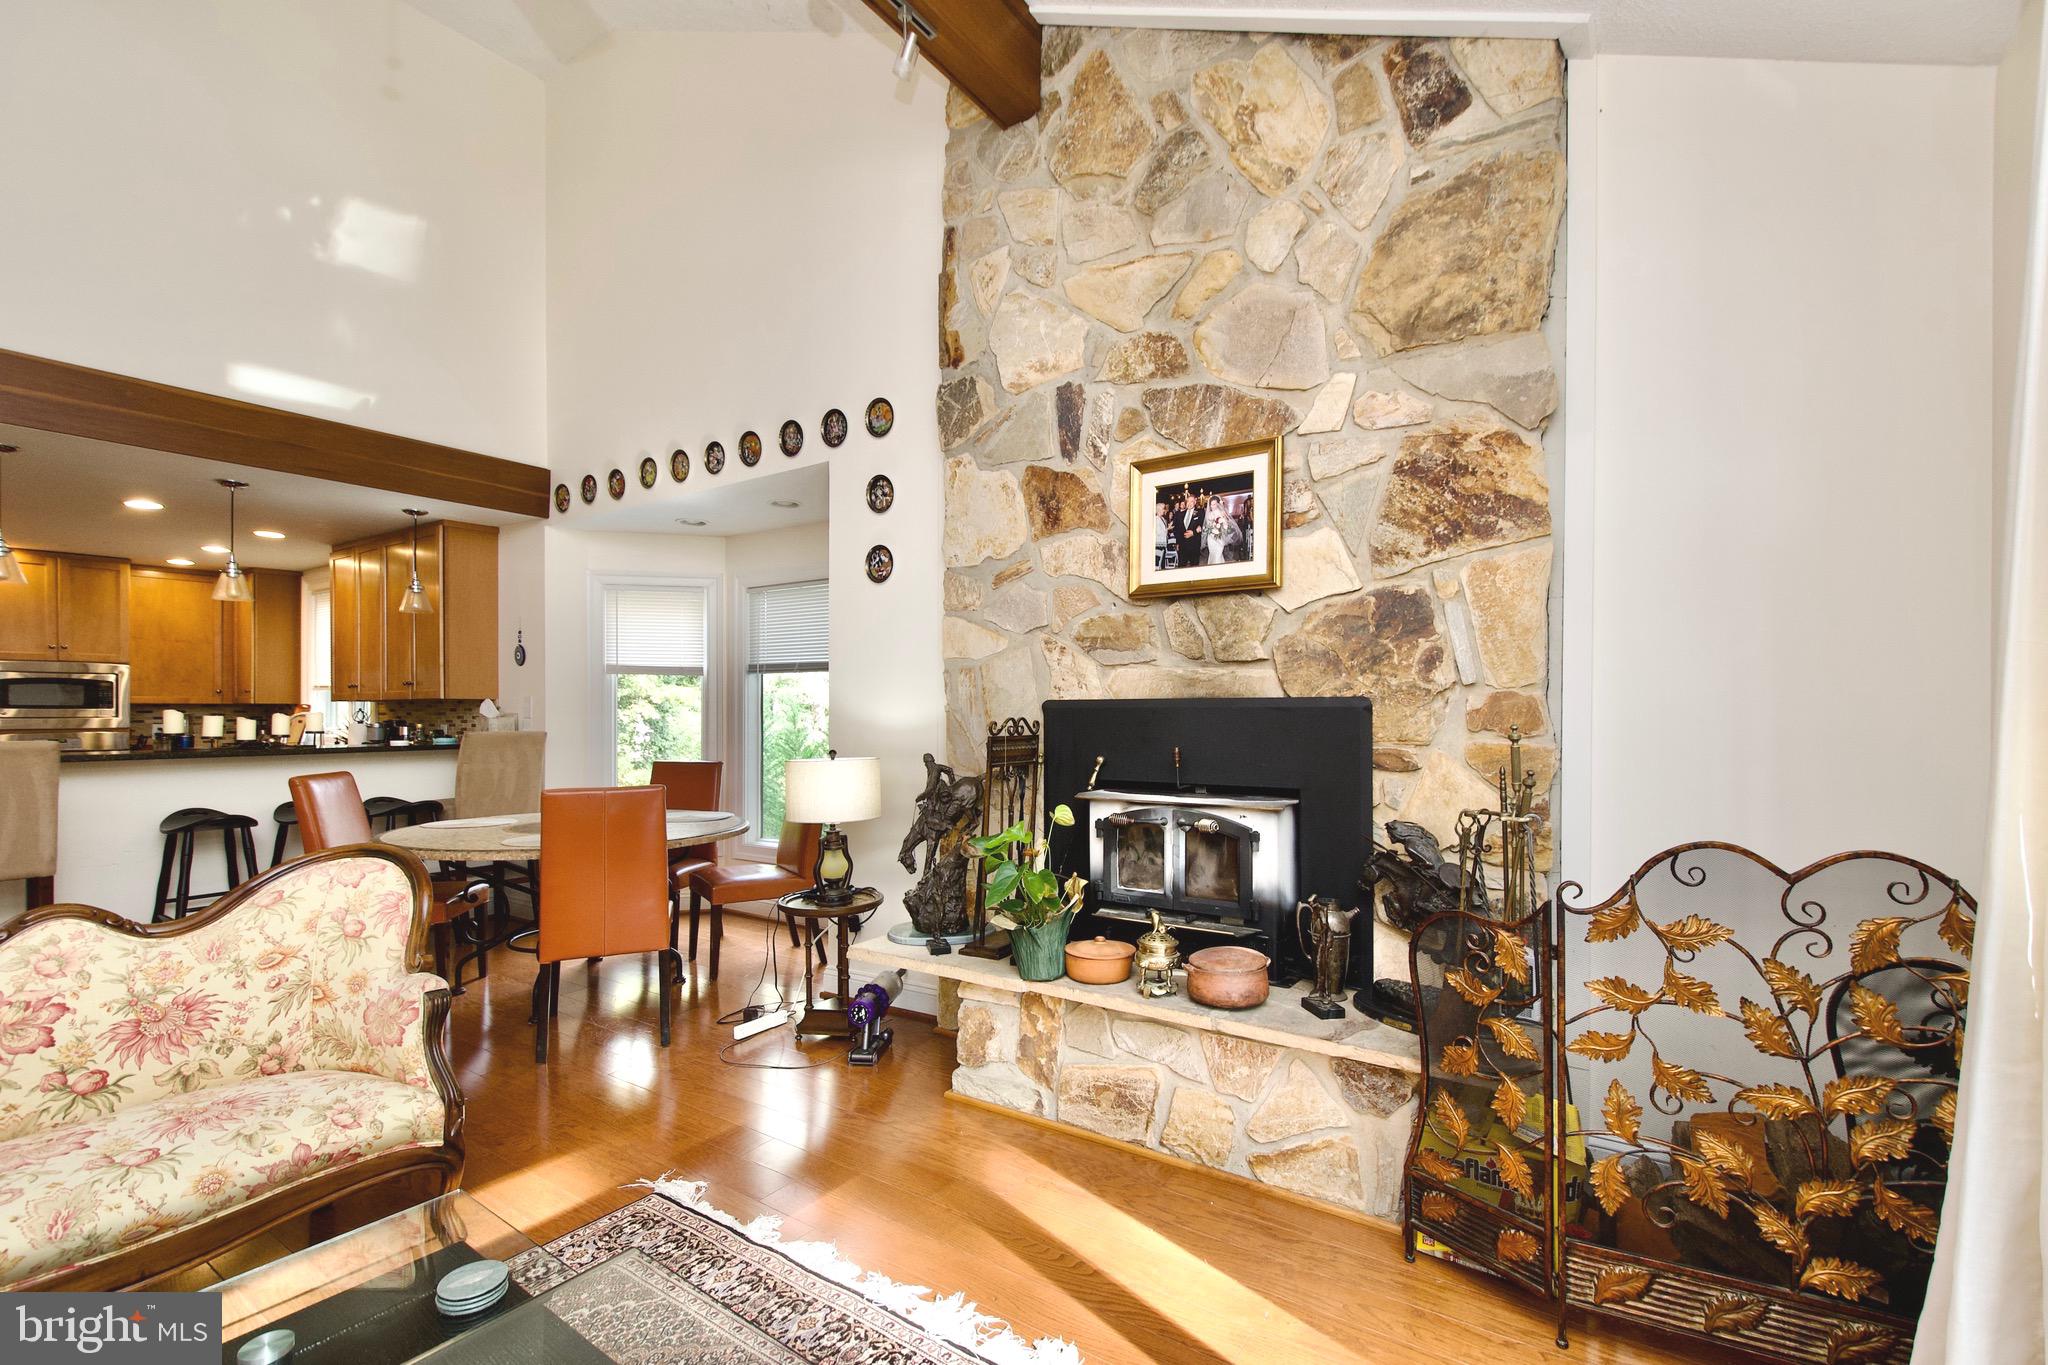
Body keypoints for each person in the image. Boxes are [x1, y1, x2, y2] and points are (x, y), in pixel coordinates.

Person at [1153, 499, 1171, 569]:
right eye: (1163, 509)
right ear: (1159, 510)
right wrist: (1168, 529)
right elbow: (1159, 532)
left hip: (1163, 542)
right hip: (1159, 543)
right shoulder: (1156, 519)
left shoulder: (1163, 519)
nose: (1164, 510)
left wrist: (1167, 528)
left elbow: (1164, 530)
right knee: (1158, 561)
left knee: (1162, 561)